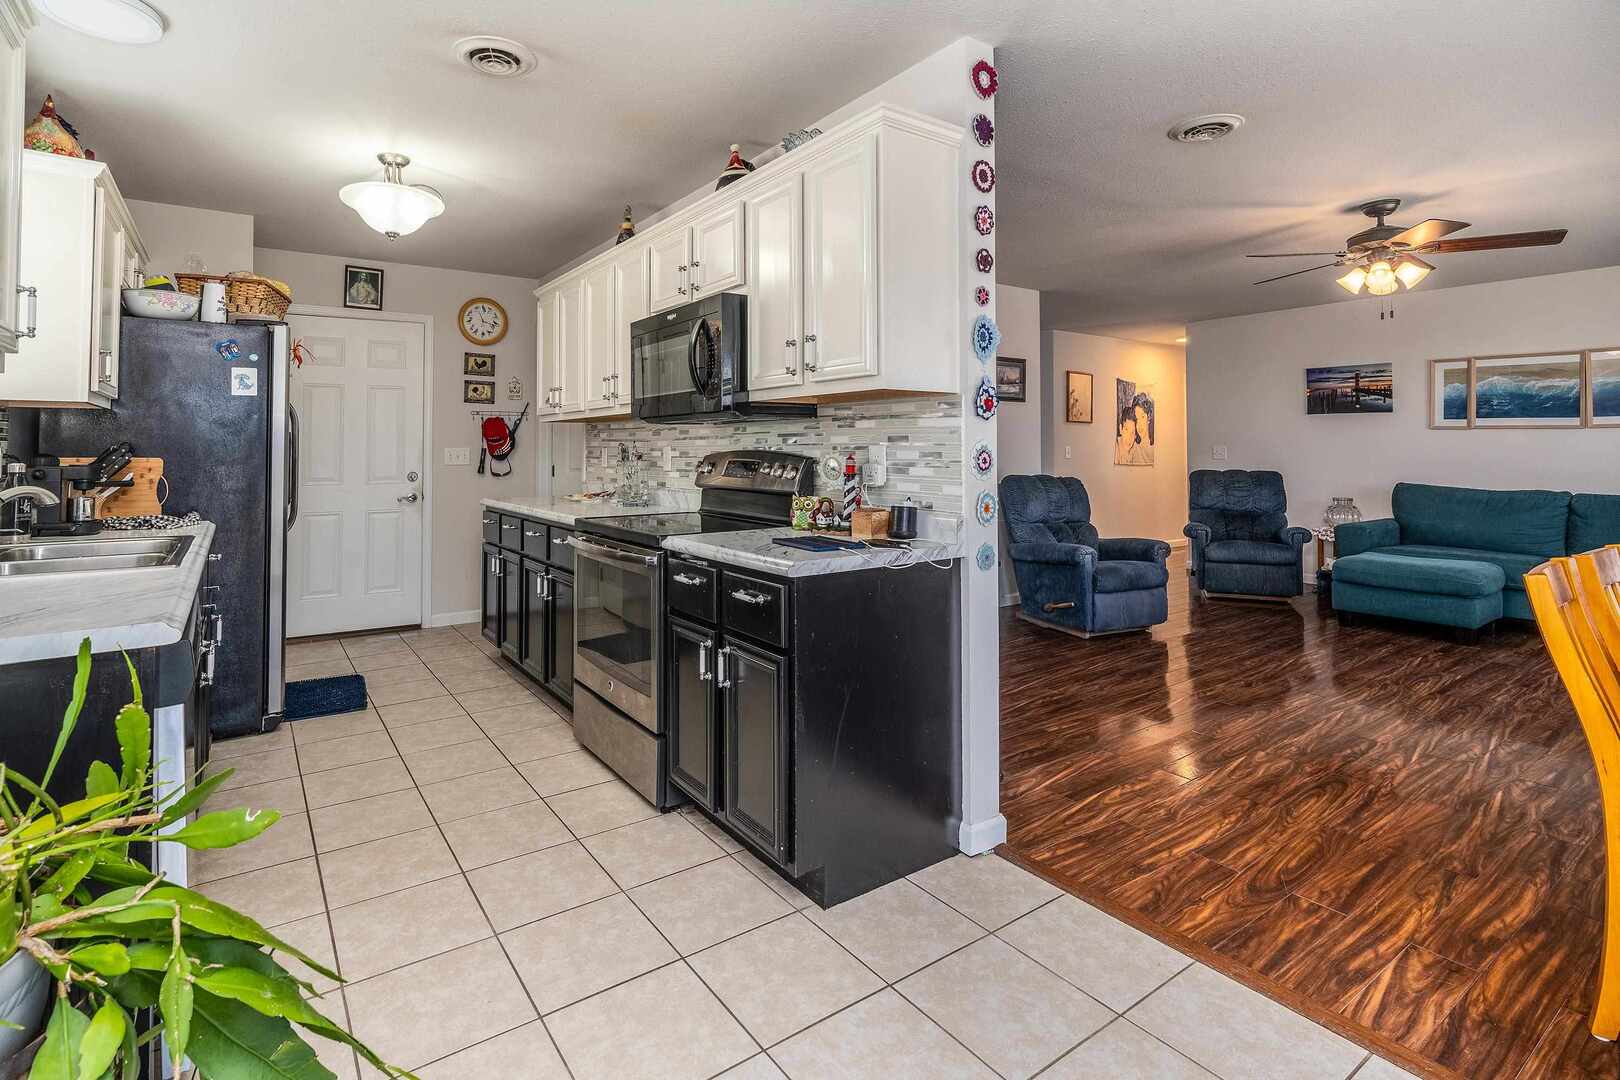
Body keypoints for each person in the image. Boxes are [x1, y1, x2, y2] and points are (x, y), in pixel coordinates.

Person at [1116, 393, 1155, 465]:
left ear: (1148, 417)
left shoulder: (1155, 446)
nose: (1139, 424)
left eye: (1142, 417)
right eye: (1137, 418)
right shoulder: (1133, 447)